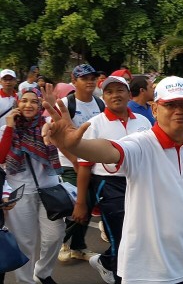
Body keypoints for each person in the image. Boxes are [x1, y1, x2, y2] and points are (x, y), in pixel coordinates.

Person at [42, 76, 183, 283]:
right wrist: (74, 146)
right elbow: (111, 150)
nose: (179, 110)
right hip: (146, 272)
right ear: (155, 109)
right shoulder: (142, 144)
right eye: (170, 104)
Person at [73, 76, 152, 284]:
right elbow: (84, 166)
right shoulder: (95, 124)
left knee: (140, 235)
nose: (115, 95)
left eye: (120, 90)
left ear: (128, 94)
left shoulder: (143, 121)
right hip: (109, 185)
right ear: (104, 97)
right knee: (121, 239)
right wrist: (81, 203)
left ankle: (106, 262)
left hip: (139, 184)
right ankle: (121, 276)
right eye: (109, 92)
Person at [1, 88, 65, 284]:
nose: (28, 105)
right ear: (17, 104)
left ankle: (42, 272)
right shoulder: (5, 130)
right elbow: (1, 157)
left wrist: (55, 107)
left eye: (34, 101)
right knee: (24, 242)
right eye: (24, 101)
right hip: (20, 192)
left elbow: (64, 130)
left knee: (55, 235)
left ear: (40, 105)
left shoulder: (47, 125)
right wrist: (10, 127)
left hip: (50, 189)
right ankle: (25, 281)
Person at [58, 64, 103, 263]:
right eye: (85, 78)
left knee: (90, 202)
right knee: (78, 202)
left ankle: (77, 247)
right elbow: (57, 138)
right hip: (69, 163)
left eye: (93, 78)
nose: (90, 81)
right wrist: (75, 161)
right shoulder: (66, 104)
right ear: (74, 81)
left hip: (95, 162)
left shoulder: (100, 104)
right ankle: (61, 242)